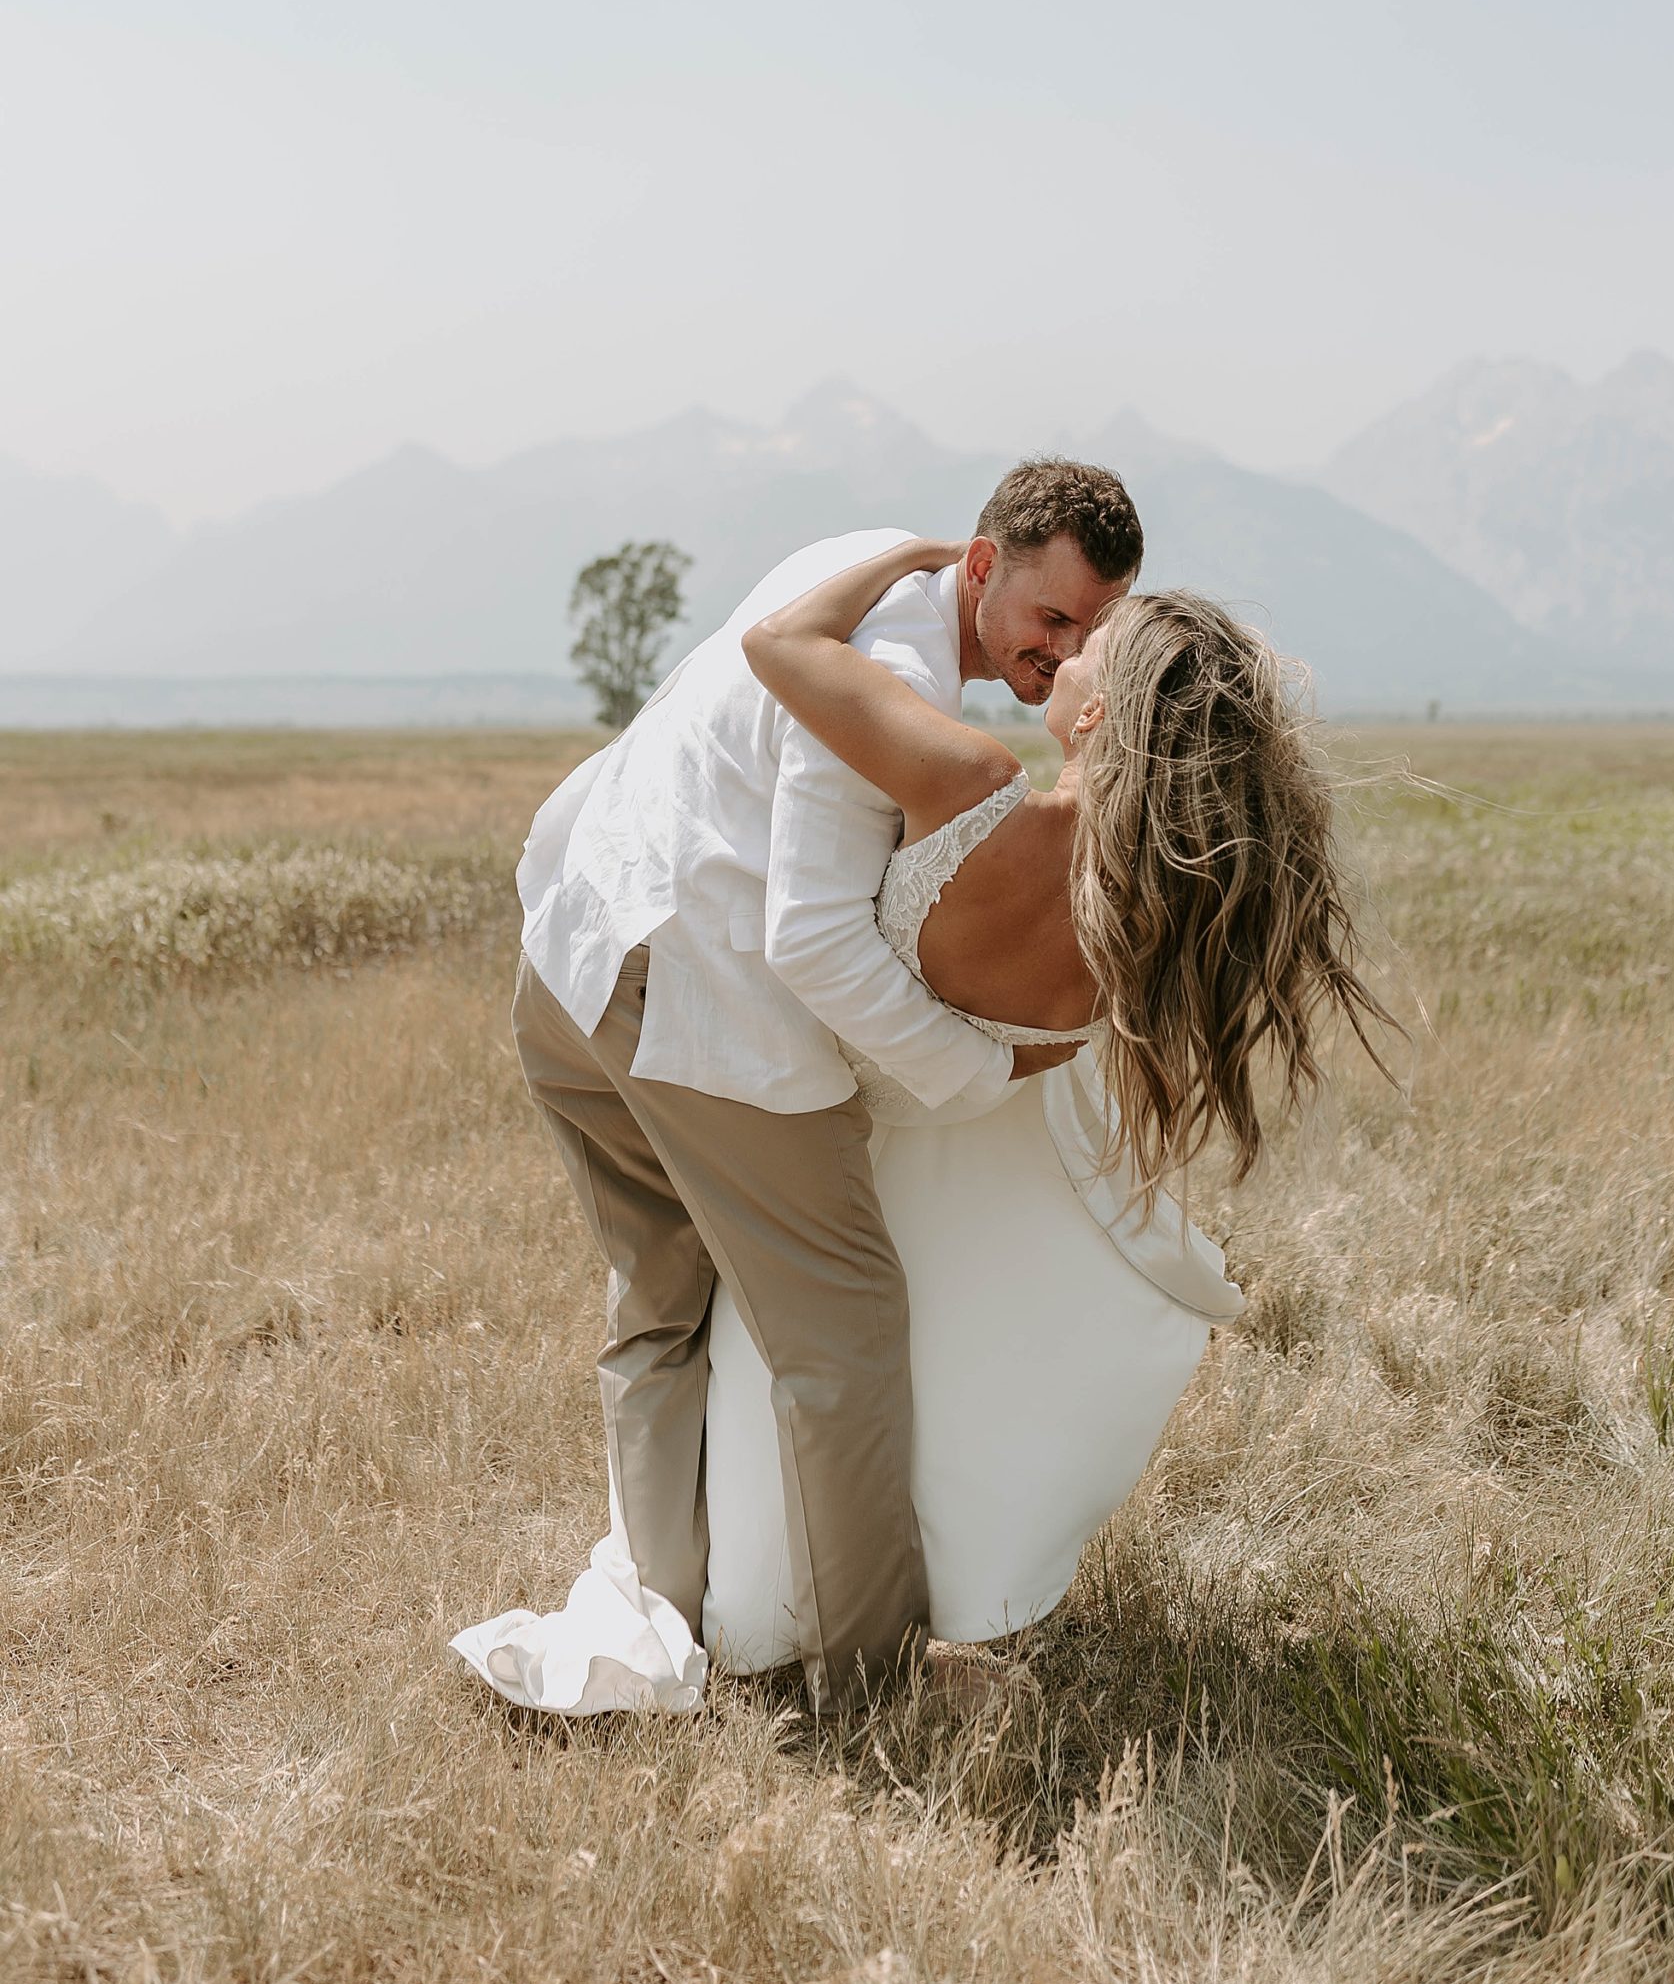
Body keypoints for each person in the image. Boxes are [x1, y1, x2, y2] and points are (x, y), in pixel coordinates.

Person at [454, 513, 1397, 1714]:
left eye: (1095, 642)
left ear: (1103, 719)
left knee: (730, 1329)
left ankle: (840, 1668)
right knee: (819, 1348)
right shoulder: (1135, 919)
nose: (1071, 653)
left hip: (683, 1015)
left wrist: (907, 554)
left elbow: (784, 649)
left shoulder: (966, 783)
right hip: (873, 1117)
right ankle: (789, 1633)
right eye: (1064, 623)